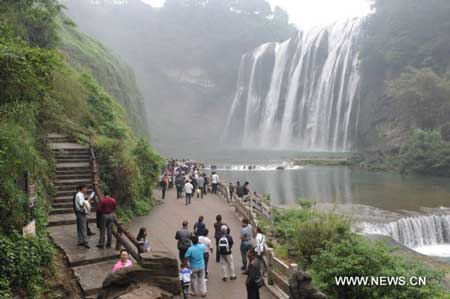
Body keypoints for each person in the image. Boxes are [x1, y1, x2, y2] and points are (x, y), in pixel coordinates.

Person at [74, 184, 90, 248]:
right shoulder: (79, 195)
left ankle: (80, 241)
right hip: (80, 212)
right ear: (82, 188)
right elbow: (81, 204)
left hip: (79, 212)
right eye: (85, 188)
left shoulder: (79, 194)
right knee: (83, 227)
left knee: (80, 227)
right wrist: (87, 201)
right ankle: (85, 241)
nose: (86, 190)